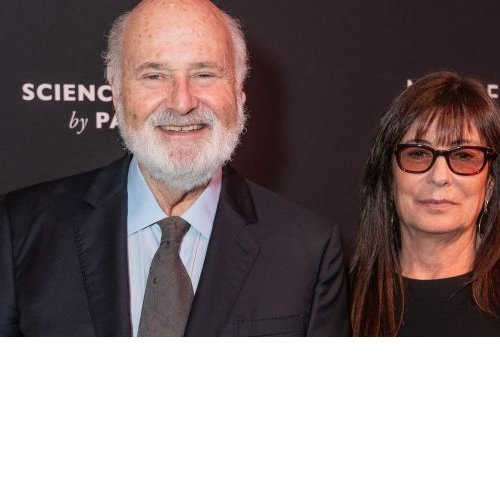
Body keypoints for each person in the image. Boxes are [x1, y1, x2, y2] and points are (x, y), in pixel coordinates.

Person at [0, 0, 349, 337]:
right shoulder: (22, 231)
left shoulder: (308, 252)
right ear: (117, 94)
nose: (182, 102)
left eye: (204, 74)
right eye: (154, 75)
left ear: (238, 92)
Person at [351, 71, 500, 336]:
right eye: (418, 154)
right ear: (389, 178)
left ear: (489, 185)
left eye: (464, 156)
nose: (440, 177)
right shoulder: (339, 301)